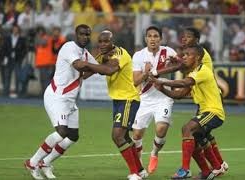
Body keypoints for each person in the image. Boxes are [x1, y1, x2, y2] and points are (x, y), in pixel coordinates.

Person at [24, 24, 118, 180]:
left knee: (73, 136)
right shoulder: (69, 47)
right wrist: (101, 66)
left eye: (88, 35)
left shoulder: (85, 53)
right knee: (61, 132)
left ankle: (45, 163)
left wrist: (109, 60)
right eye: (82, 34)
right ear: (76, 34)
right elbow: (80, 65)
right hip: (57, 96)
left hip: (70, 100)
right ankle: (32, 162)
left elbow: (97, 68)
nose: (85, 37)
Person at [154, 27, 228, 178]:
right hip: (204, 109)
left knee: (188, 129)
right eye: (184, 54)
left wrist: (160, 77)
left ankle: (186, 169)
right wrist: (161, 89)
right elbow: (179, 94)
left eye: (187, 55)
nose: (184, 57)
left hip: (213, 111)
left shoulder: (202, 70)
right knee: (195, 138)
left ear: (197, 57)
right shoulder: (194, 72)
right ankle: (213, 168)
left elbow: (182, 81)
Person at [95, 30, 145, 180]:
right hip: (118, 100)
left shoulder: (120, 54)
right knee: (124, 137)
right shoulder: (103, 55)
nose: (103, 44)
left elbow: (110, 70)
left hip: (128, 99)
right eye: (100, 41)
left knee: (117, 136)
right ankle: (140, 170)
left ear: (112, 42)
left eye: (106, 41)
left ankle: (135, 174)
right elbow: (87, 72)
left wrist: (96, 63)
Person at [131, 25, 177, 175]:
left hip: (164, 98)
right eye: (150, 36)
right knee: (137, 135)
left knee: (161, 128)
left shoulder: (169, 52)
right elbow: (135, 81)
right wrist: (145, 72)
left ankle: (154, 153)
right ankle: (139, 167)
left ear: (161, 39)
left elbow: (181, 66)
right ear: (145, 39)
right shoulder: (138, 55)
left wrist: (175, 63)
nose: (152, 39)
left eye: (156, 36)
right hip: (145, 99)